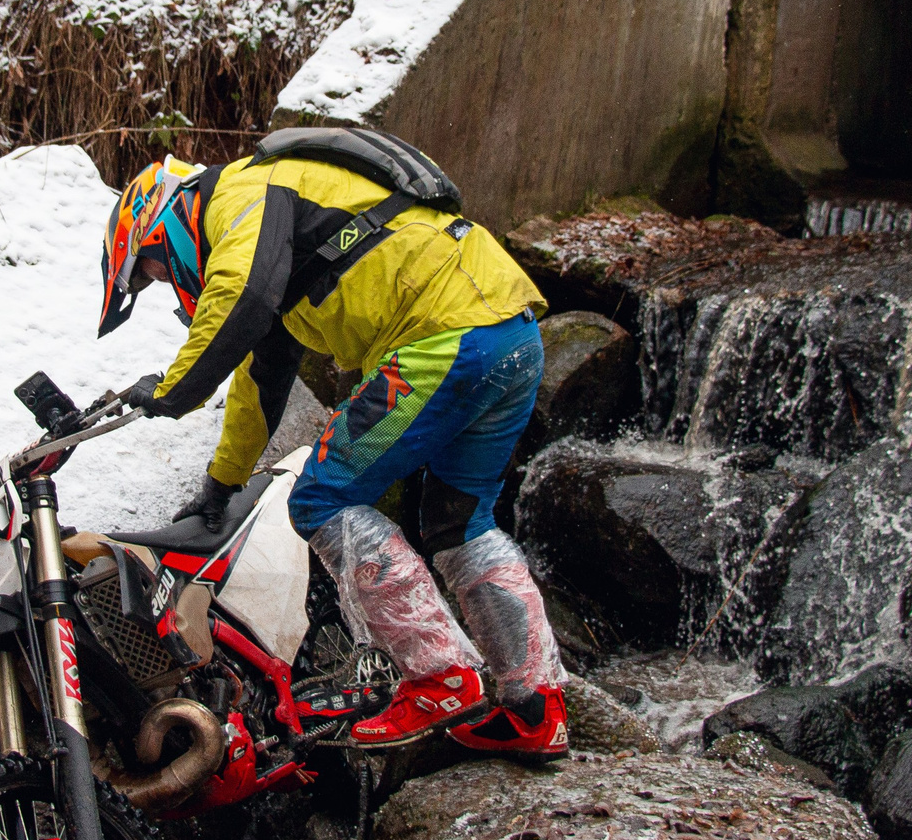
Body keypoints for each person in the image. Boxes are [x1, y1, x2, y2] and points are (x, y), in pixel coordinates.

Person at [102, 142, 570, 756]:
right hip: (511, 332)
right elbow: (260, 379)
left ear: (162, 224)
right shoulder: (285, 235)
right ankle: (534, 707)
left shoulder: (238, 197)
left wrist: (169, 390)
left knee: (321, 496)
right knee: (461, 524)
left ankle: (438, 678)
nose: (167, 283)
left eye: (156, 268)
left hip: (446, 338)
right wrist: (221, 484)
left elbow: (239, 303)